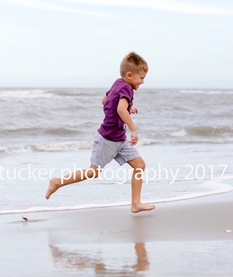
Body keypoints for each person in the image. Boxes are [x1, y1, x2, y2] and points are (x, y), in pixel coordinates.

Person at [45, 51, 156, 213]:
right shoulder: (127, 88)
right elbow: (119, 108)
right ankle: (57, 182)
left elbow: (105, 100)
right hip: (108, 139)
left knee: (139, 165)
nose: (143, 81)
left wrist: (128, 107)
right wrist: (133, 129)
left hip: (119, 138)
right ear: (130, 75)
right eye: (141, 78)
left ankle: (136, 203)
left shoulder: (118, 83)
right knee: (93, 172)